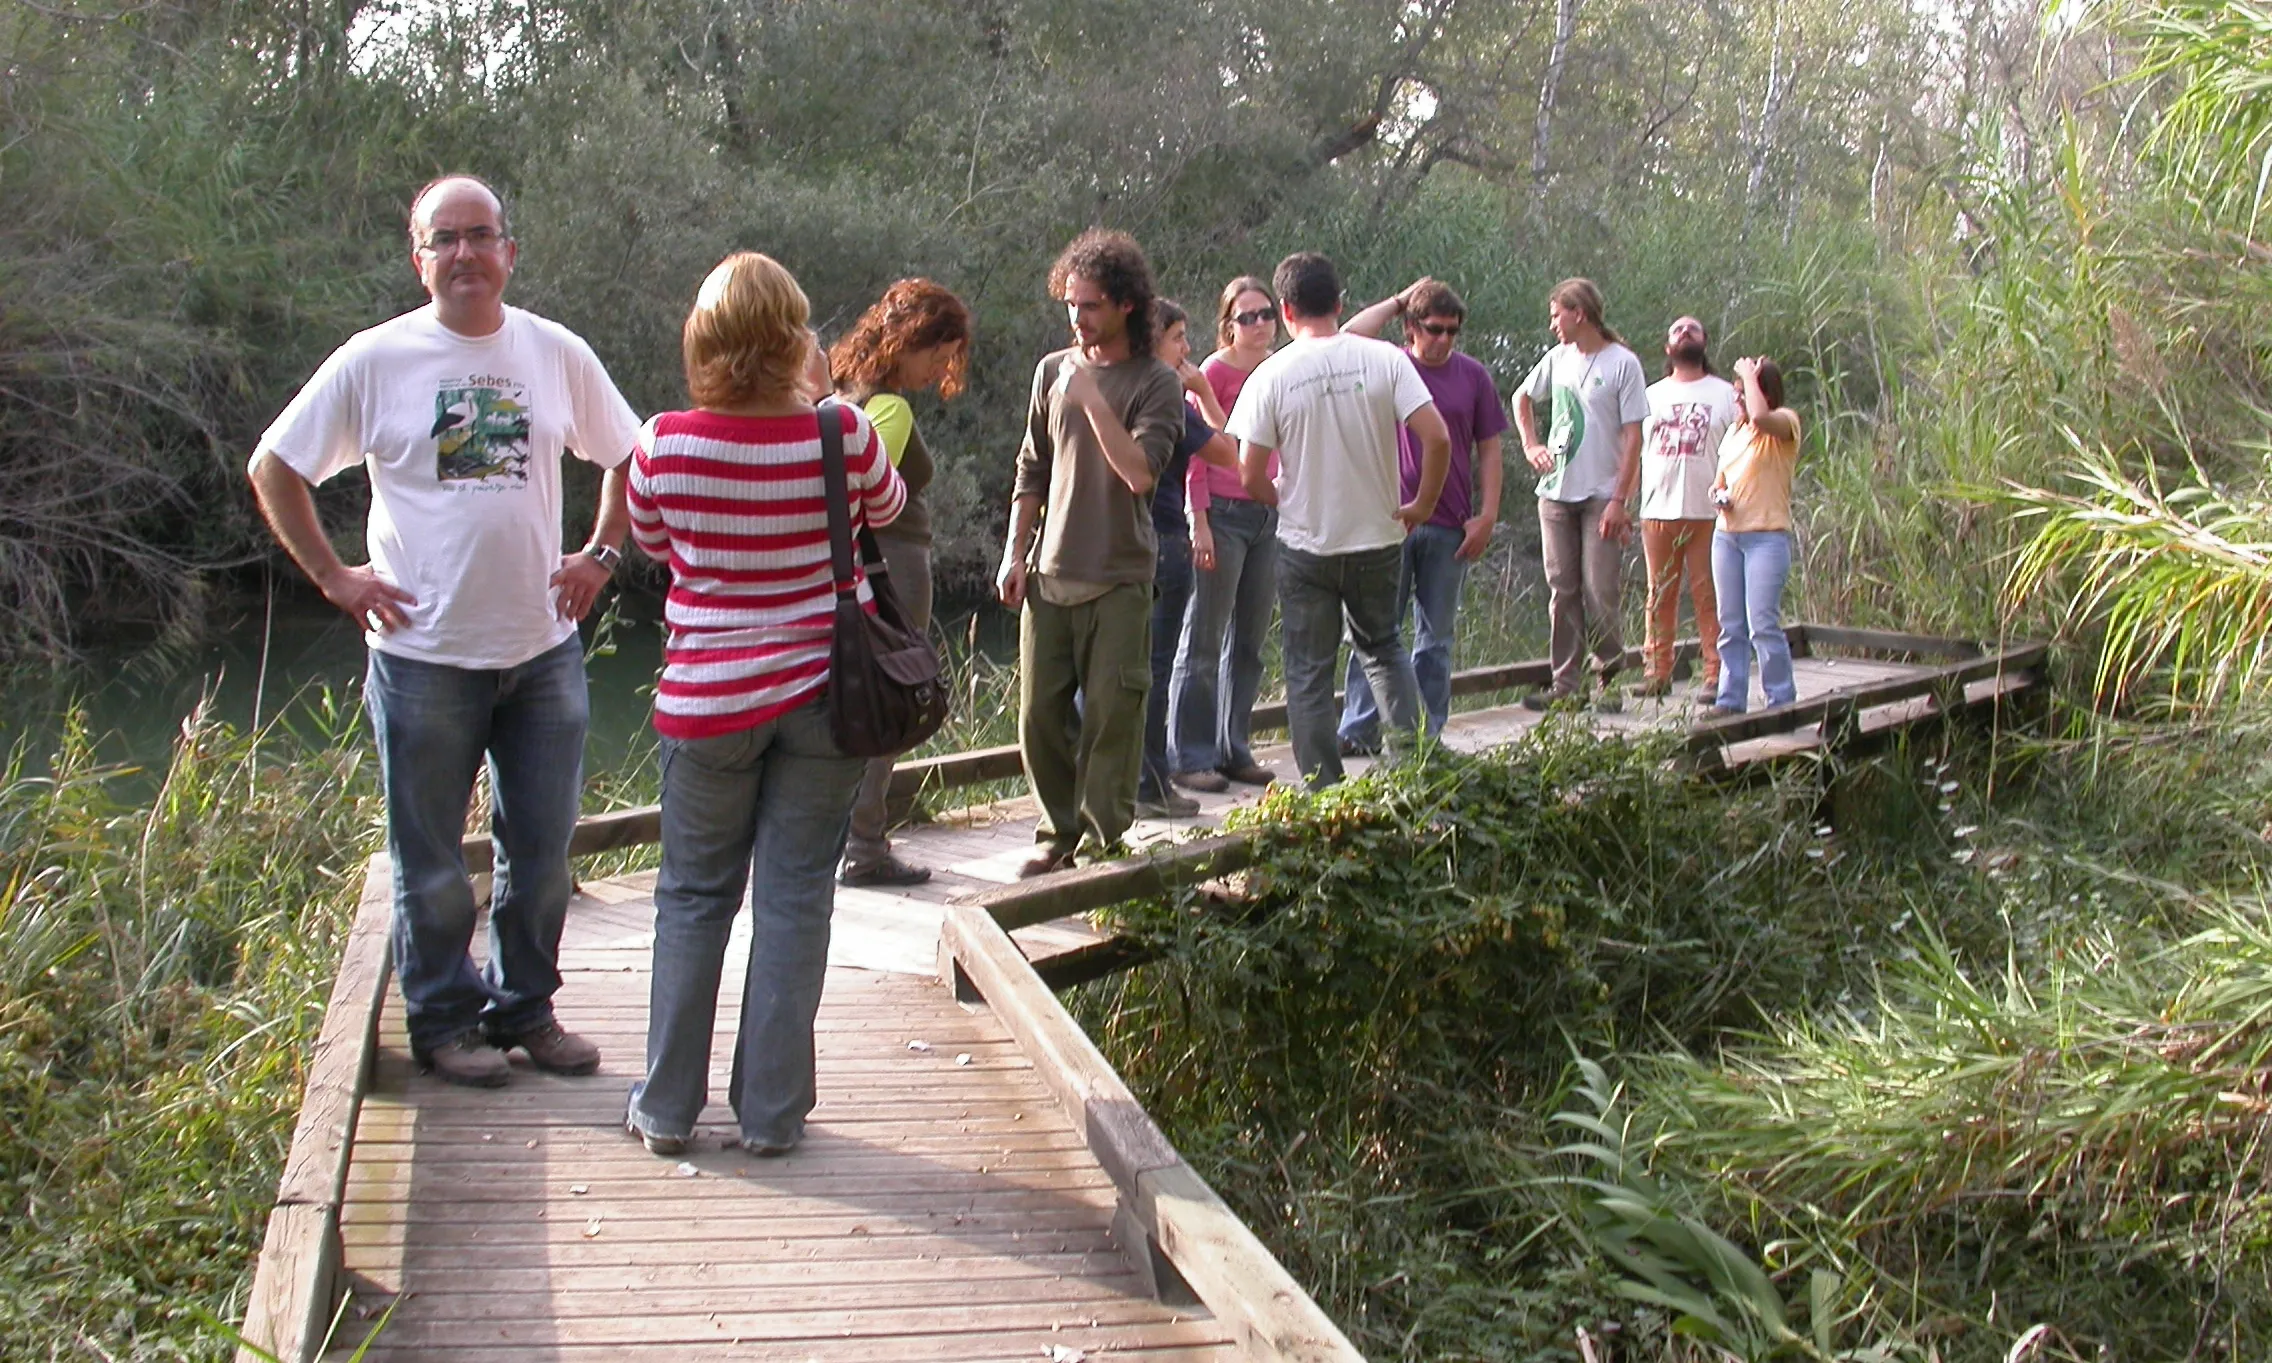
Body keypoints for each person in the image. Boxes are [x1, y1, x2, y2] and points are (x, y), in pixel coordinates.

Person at [246, 175, 637, 1089]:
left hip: (541, 652)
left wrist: (600, 555)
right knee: (428, 862)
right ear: (419, 259)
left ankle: (526, 1008)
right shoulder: (376, 359)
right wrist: (336, 578)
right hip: (423, 659)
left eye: (481, 235)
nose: (465, 253)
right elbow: (276, 465)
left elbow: (628, 450)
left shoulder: (552, 351)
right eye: (445, 239)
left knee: (540, 856)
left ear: (509, 251)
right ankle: (444, 1022)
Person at [622, 251, 907, 1157]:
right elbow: (889, 509)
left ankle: (667, 1109)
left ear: (701, 338)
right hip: (829, 697)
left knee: (694, 898)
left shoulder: (662, 440)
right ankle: (772, 1115)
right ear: (796, 337)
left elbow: (652, 539)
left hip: (707, 703)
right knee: (793, 899)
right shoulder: (843, 433)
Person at [997, 230, 1184, 876]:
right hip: (1050, 573)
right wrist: (1013, 552)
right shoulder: (1052, 370)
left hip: (1120, 577)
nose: (1078, 319)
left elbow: (1139, 473)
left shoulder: (1157, 382)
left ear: (1127, 304)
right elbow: (1032, 468)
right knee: (1039, 716)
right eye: (1070, 306)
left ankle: (1104, 842)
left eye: (1091, 305)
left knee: (1112, 716)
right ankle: (1058, 833)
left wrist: (1091, 398)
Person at [1231, 252, 1449, 789]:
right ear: (1339, 302)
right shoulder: (1384, 360)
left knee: (1308, 670)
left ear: (1285, 310)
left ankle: (1322, 790)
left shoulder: (1272, 374)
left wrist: (1279, 498)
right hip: (1378, 536)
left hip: (1306, 544)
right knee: (1383, 648)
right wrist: (1421, 504)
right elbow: (1438, 436)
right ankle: (1416, 768)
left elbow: (1248, 472)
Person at [827, 279, 973, 888]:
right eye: (936, 352)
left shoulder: (835, 396)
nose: (941, 366)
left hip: (844, 568)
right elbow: (865, 492)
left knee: (841, 697)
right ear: (905, 341)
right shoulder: (886, 407)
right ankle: (863, 847)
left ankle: (835, 840)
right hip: (892, 565)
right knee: (889, 697)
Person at [1336, 277, 1508, 749]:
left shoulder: (1472, 376)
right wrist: (1396, 301)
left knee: (1435, 638)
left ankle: (1425, 736)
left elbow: (1489, 448)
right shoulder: (1386, 364)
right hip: (1388, 521)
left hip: (1449, 524)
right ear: (1411, 328)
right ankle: (1359, 729)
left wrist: (1487, 514)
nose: (1443, 340)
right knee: (1373, 633)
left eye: (1453, 331)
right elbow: (1345, 337)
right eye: (1434, 329)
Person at [1168, 276, 1283, 792]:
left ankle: (1233, 747)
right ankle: (1189, 755)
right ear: (1228, 325)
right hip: (1222, 515)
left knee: (1251, 642)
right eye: (1247, 317)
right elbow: (1196, 451)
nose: (1258, 325)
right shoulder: (1211, 373)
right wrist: (1200, 521)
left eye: (1266, 314)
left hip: (1267, 514)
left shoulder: (1281, 369)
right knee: (1203, 641)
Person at [1514, 278, 1649, 713]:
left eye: (1557, 314)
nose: (1553, 324)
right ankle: (1565, 684)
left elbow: (1633, 439)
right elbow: (1521, 397)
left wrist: (1619, 500)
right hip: (1556, 493)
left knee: (1599, 588)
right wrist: (1531, 445)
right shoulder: (1557, 359)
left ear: (1579, 313)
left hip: (1600, 496)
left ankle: (1608, 680)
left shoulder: (1622, 364)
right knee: (1562, 587)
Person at [1137, 298, 1240, 820]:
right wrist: (1202, 391)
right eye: (1178, 337)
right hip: (1162, 543)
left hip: (1116, 547)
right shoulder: (1170, 400)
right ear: (1154, 341)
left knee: (1111, 670)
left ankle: (1106, 779)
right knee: (1154, 669)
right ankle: (1150, 785)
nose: (1187, 349)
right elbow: (1229, 452)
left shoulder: (1112, 387)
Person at [1636, 315, 1739, 701]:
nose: (1685, 333)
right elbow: (1632, 452)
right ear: (1668, 348)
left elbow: (1740, 448)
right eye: (1677, 330)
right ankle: (1657, 672)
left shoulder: (1726, 394)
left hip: (1708, 510)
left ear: (1704, 342)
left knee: (1708, 594)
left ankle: (1715, 672)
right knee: (1658, 593)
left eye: (1692, 329)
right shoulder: (1650, 396)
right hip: (1657, 508)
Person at [1707, 355, 1803, 716]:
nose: (1738, 400)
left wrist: (1749, 372)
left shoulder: (1783, 424)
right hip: (1727, 537)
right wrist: (1718, 497)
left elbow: (1763, 416)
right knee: (1731, 624)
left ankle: (1780, 699)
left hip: (1766, 537)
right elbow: (1719, 480)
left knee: (1762, 622)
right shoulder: (1735, 433)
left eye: (1743, 392)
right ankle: (1730, 699)